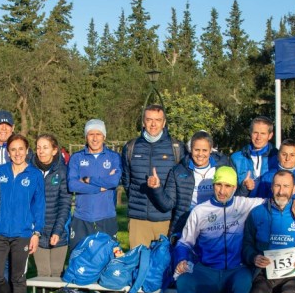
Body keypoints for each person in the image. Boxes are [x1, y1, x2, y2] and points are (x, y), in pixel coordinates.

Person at [174, 166, 264, 293]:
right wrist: (181, 259)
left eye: (228, 186)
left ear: (235, 188)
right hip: (207, 271)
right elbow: (184, 242)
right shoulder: (200, 211)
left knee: (245, 281)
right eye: (218, 185)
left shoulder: (244, 204)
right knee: (183, 281)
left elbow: (275, 201)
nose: (222, 191)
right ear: (213, 185)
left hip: (235, 270)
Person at [0, 134, 45, 293]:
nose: (17, 153)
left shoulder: (35, 175)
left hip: (23, 234)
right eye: (13, 149)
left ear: (27, 151)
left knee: (18, 278)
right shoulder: (0, 172)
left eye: (21, 149)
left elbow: (39, 206)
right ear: (8, 152)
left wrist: (36, 233)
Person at [120, 104, 184, 248]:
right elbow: (127, 180)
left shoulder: (177, 148)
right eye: (149, 120)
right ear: (143, 122)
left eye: (158, 120)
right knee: (139, 261)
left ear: (164, 122)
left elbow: (181, 184)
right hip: (138, 220)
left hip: (166, 219)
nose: (153, 124)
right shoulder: (130, 147)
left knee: (164, 261)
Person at [150, 131, 231, 240]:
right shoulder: (178, 171)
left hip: (216, 226)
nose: (200, 154)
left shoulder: (223, 167)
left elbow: (233, 196)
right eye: (196, 150)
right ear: (191, 149)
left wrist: (245, 187)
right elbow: (168, 204)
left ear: (210, 150)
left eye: (204, 150)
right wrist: (157, 188)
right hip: (186, 227)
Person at [67, 119, 121, 251]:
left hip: (106, 217)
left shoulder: (114, 157)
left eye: (98, 134)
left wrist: (88, 180)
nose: (95, 138)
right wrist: (99, 188)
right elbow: (72, 185)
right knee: (80, 258)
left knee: (107, 258)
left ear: (104, 136)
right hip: (82, 217)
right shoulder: (77, 158)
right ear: (86, 137)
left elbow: (114, 181)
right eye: (91, 134)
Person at [33, 133, 72, 277]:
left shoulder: (62, 171)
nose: (41, 151)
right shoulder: (30, 170)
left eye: (45, 147)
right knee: (42, 274)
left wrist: (57, 231)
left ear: (54, 150)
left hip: (58, 231)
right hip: (37, 233)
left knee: (56, 274)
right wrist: (34, 230)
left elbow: (65, 203)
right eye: (38, 148)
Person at [254, 140, 295, 223]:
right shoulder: (267, 177)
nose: (287, 158)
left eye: (292, 155)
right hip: (272, 224)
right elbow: (260, 205)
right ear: (278, 156)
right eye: (284, 154)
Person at [231, 116, 276, 196]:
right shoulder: (236, 158)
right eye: (255, 133)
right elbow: (229, 193)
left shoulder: (278, 158)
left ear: (270, 135)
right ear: (250, 133)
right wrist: (244, 188)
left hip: (270, 203)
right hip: (244, 203)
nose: (258, 137)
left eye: (263, 133)